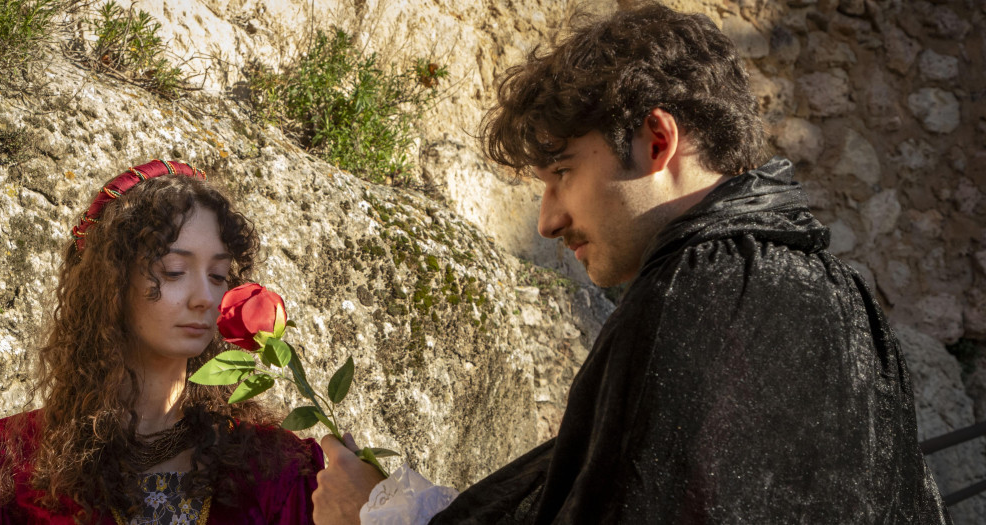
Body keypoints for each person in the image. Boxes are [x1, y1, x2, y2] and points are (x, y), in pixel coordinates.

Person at [313, 2, 949, 524]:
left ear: (657, 140)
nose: (547, 220)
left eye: (562, 172)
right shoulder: (843, 297)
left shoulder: (700, 294)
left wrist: (376, 515)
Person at [0, 160, 323, 525]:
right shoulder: (11, 462)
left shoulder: (281, 470)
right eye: (174, 271)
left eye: (218, 274)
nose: (205, 297)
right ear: (111, 283)